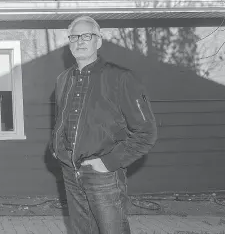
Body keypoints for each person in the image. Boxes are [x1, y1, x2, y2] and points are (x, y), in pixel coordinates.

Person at [50, 16, 157, 234]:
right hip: (71, 171)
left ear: (98, 41)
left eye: (86, 36)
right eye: (74, 37)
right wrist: (57, 149)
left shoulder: (121, 78)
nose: (79, 41)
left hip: (103, 174)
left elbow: (146, 132)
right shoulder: (63, 79)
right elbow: (62, 120)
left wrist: (108, 162)